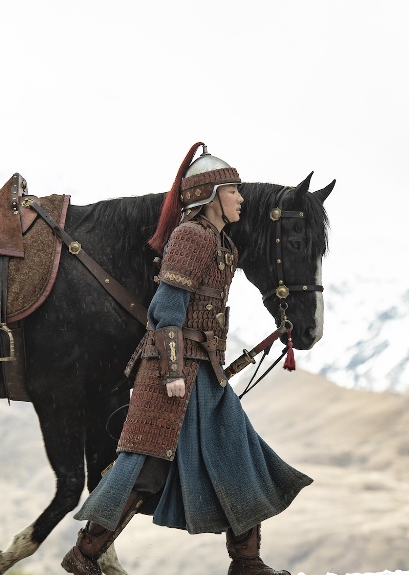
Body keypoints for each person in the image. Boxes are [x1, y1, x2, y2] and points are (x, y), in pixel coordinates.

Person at [61, 143, 313, 575]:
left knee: (239, 455)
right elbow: (166, 311)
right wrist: (173, 370)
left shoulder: (221, 242)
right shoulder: (192, 236)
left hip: (205, 372)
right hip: (174, 373)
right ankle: (84, 556)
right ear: (213, 195)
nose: (241, 198)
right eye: (234, 191)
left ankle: (247, 562)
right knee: (145, 467)